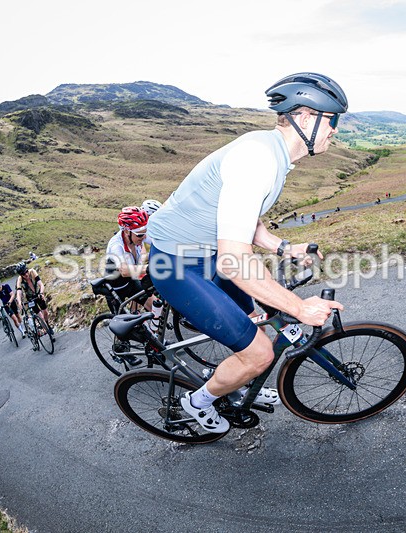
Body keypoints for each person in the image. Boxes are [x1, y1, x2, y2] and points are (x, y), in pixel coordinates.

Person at [147, 72, 346, 433]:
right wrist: (300, 308)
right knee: (260, 352)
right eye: (332, 120)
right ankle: (197, 402)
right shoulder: (258, 160)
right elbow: (234, 260)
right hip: (176, 265)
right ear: (306, 118)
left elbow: (244, 220)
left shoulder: (272, 152)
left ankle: (235, 380)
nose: (335, 130)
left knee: (257, 317)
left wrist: (283, 247)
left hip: (205, 254)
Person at [104, 207, 152, 310]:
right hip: (116, 289)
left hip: (131, 282)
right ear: (126, 231)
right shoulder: (116, 245)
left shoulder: (138, 234)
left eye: (145, 233)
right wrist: (149, 268)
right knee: (122, 319)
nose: (144, 237)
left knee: (157, 307)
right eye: (140, 235)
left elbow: (157, 242)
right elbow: (124, 271)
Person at [12, 261, 53, 335]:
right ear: (21, 275)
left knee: (45, 312)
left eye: (26, 271)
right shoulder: (19, 279)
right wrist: (19, 302)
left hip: (38, 294)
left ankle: (48, 325)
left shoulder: (32, 272)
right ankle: (46, 329)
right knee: (41, 316)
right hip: (30, 298)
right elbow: (19, 292)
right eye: (23, 274)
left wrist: (41, 293)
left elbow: (41, 284)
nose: (26, 274)